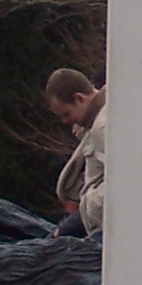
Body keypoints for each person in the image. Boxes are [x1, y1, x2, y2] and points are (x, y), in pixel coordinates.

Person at [45, 68, 105, 238]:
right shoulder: (101, 120)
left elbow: (123, 183)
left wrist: (87, 210)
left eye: (66, 114)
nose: (65, 121)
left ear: (79, 98)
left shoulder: (103, 127)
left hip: (104, 223)